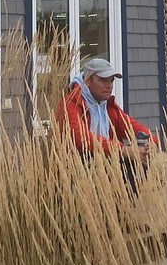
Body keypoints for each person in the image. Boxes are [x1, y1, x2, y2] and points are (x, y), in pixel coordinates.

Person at [56, 58, 158, 192]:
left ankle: (121, 208)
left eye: (111, 80)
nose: (109, 85)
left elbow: (131, 125)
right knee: (129, 160)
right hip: (76, 169)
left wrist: (152, 142)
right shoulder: (71, 103)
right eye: (103, 80)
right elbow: (80, 138)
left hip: (103, 163)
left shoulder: (106, 105)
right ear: (88, 80)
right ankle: (115, 207)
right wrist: (123, 150)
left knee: (141, 161)